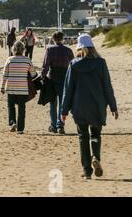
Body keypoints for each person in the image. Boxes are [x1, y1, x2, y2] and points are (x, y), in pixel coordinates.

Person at [61, 34, 119, 180]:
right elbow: (107, 86)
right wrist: (113, 106)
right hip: (97, 105)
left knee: (83, 136)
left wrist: (64, 110)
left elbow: (68, 89)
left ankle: (87, 171)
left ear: (79, 48)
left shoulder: (73, 64)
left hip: (79, 106)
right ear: (93, 47)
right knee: (95, 135)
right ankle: (96, 157)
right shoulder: (101, 63)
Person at [1, 41, 38, 134]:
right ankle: (20, 129)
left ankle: (12, 122)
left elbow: (5, 75)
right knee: (22, 108)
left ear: (14, 49)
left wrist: (2, 87)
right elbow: (34, 74)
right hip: (23, 88)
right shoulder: (27, 60)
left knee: (11, 106)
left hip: (11, 87)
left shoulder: (9, 59)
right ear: (23, 49)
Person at [41, 32, 75, 135]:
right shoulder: (68, 50)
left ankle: (54, 126)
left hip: (53, 77)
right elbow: (73, 64)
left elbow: (45, 65)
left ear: (53, 39)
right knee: (62, 103)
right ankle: (60, 125)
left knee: (53, 103)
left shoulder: (50, 49)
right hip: (64, 77)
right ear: (62, 38)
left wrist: (43, 76)